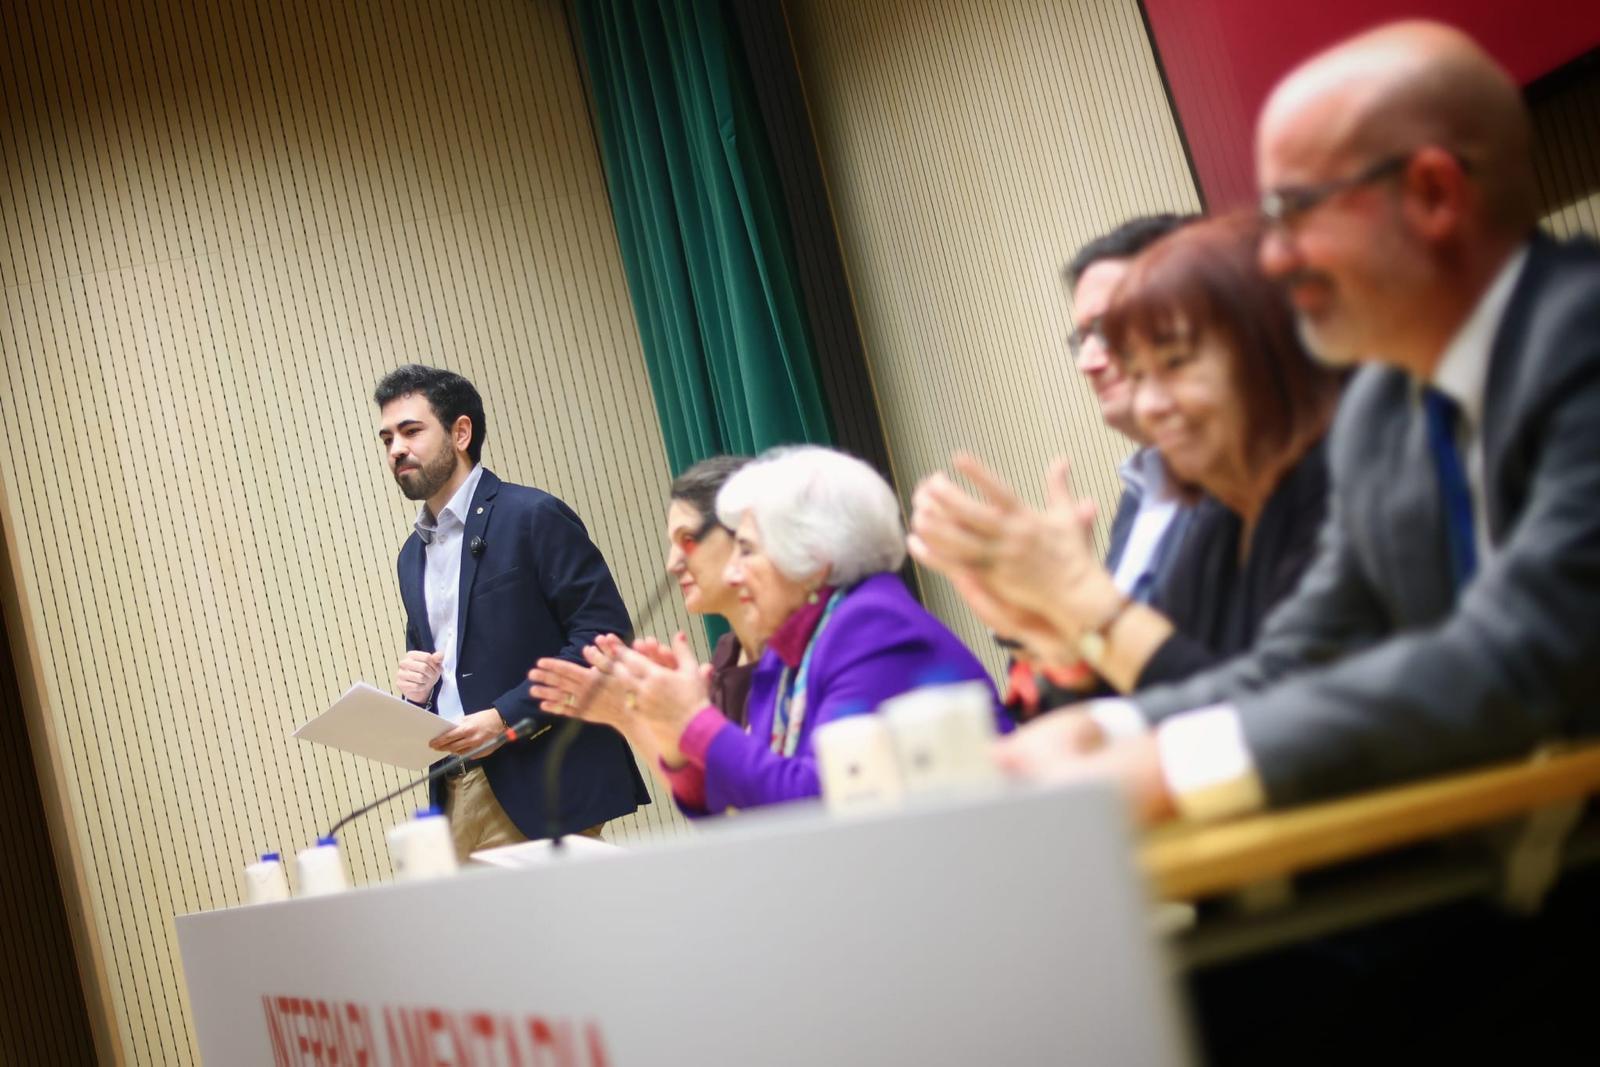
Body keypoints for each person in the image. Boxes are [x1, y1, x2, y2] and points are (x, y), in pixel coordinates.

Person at [991, 21, 1600, 824]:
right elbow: (1305, 658)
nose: (1274, 259)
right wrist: (1104, 728)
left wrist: (1172, 763)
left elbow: (1528, 650)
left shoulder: (1582, 341)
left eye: (1294, 211)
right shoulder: (1385, 407)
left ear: (1433, 195)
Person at [912, 213, 1342, 698]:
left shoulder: (1338, 480)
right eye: (1136, 374)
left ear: (1264, 342)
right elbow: (1153, 697)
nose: (1150, 404)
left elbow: (1274, 707)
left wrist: (1075, 595)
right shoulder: (1203, 508)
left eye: (1175, 362)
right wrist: (1046, 632)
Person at [566, 445, 1003, 815]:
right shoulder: (787, 649)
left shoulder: (871, 625)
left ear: (814, 559)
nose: (734, 574)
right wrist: (669, 730)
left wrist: (692, 720)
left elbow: (817, 804)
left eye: (748, 551)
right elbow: (738, 813)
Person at [375, 364, 647, 859]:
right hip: (454, 790)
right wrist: (418, 693)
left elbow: (603, 639)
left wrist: (504, 716)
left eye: (412, 430)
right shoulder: (411, 556)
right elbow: (449, 669)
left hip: (540, 782)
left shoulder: (532, 516)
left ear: (461, 432)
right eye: (387, 437)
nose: (396, 449)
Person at [1006, 215, 1197, 720]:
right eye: (1081, 338)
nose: (1087, 362)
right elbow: (1100, 690)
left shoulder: (1245, 482)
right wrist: (1043, 624)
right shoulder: (1142, 492)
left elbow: (1238, 689)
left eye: (1109, 331)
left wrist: (1074, 594)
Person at [527, 455, 765, 734]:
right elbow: (716, 777)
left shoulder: (810, 654)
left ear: (747, 536)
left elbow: (770, 776)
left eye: (687, 540)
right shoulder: (727, 652)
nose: (672, 563)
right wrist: (637, 717)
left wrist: (691, 720)